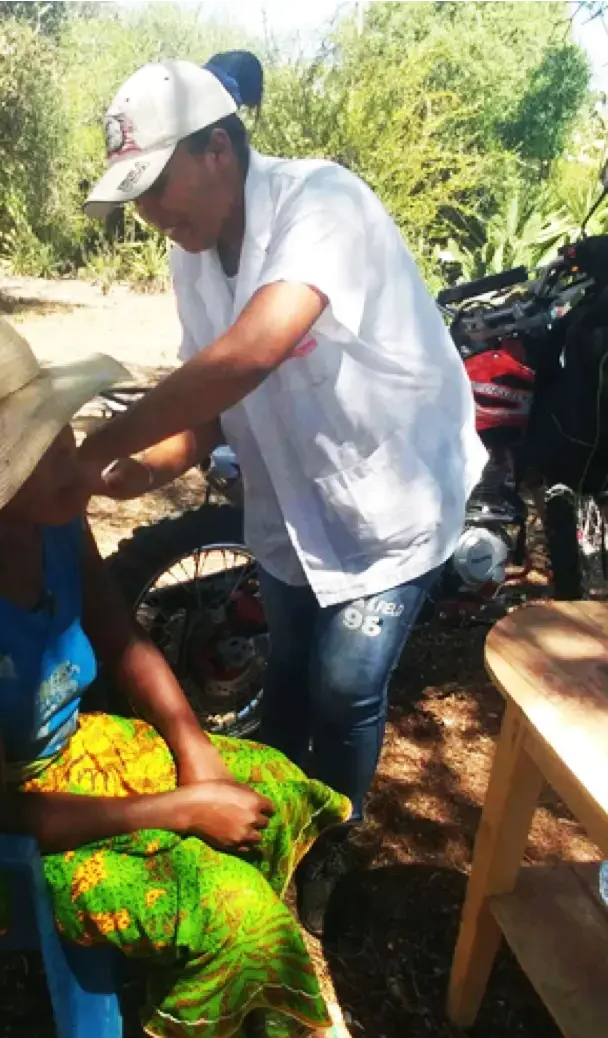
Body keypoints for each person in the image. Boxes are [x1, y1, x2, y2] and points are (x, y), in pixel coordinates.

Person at [0, 317, 353, 1038]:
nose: (74, 455)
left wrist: (190, 743)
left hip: (39, 759)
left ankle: (194, 984)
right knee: (232, 906)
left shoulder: (52, 522)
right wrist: (178, 809)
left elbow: (121, 637)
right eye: (39, 449)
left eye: (59, 429)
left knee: (269, 784)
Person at [79, 52, 488, 936]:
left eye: (155, 187)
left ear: (219, 149)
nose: (149, 214)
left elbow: (254, 351)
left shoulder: (322, 204)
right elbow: (217, 405)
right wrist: (141, 468)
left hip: (388, 497)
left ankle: (331, 844)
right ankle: (279, 827)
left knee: (345, 688)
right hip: (292, 509)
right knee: (290, 681)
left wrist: (100, 444)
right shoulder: (192, 258)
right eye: (135, 197)